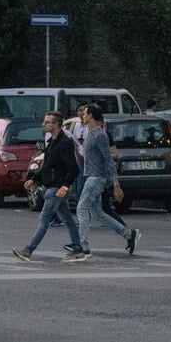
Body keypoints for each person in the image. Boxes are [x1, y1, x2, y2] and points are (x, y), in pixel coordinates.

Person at [13, 112, 87, 262]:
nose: (43, 124)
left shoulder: (64, 142)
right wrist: (33, 179)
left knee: (44, 218)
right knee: (67, 219)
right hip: (51, 186)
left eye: (47, 122)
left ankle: (28, 250)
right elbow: (47, 166)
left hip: (57, 188)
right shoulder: (52, 142)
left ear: (57, 125)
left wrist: (65, 187)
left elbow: (73, 169)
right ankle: (78, 250)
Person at [76, 104, 140, 256]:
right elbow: (90, 158)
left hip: (96, 177)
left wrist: (116, 184)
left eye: (84, 113)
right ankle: (129, 235)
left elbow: (108, 159)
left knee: (82, 208)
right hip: (92, 176)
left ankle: (82, 245)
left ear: (91, 115)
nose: (82, 116)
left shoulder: (100, 134)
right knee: (98, 213)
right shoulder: (91, 133)